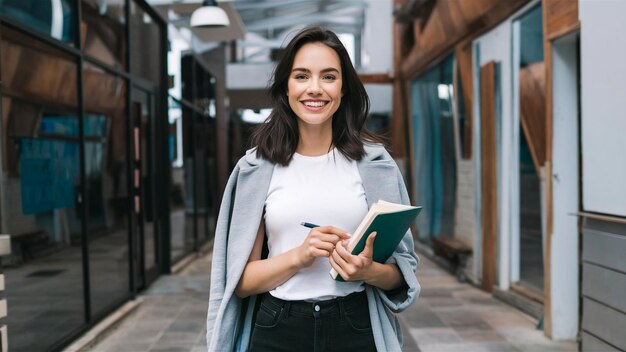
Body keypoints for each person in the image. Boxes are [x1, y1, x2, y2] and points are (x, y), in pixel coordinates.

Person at [206, 26, 419, 352]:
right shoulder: (257, 168)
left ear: (344, 88)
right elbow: (241, 282)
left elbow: (401, 273)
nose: (315, 89)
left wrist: (368, 271)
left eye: (329, 77)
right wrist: (299, 256)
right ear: (286, 88)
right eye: (302, 76)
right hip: (277, 328)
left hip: (355, 326)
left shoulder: (377, 165)